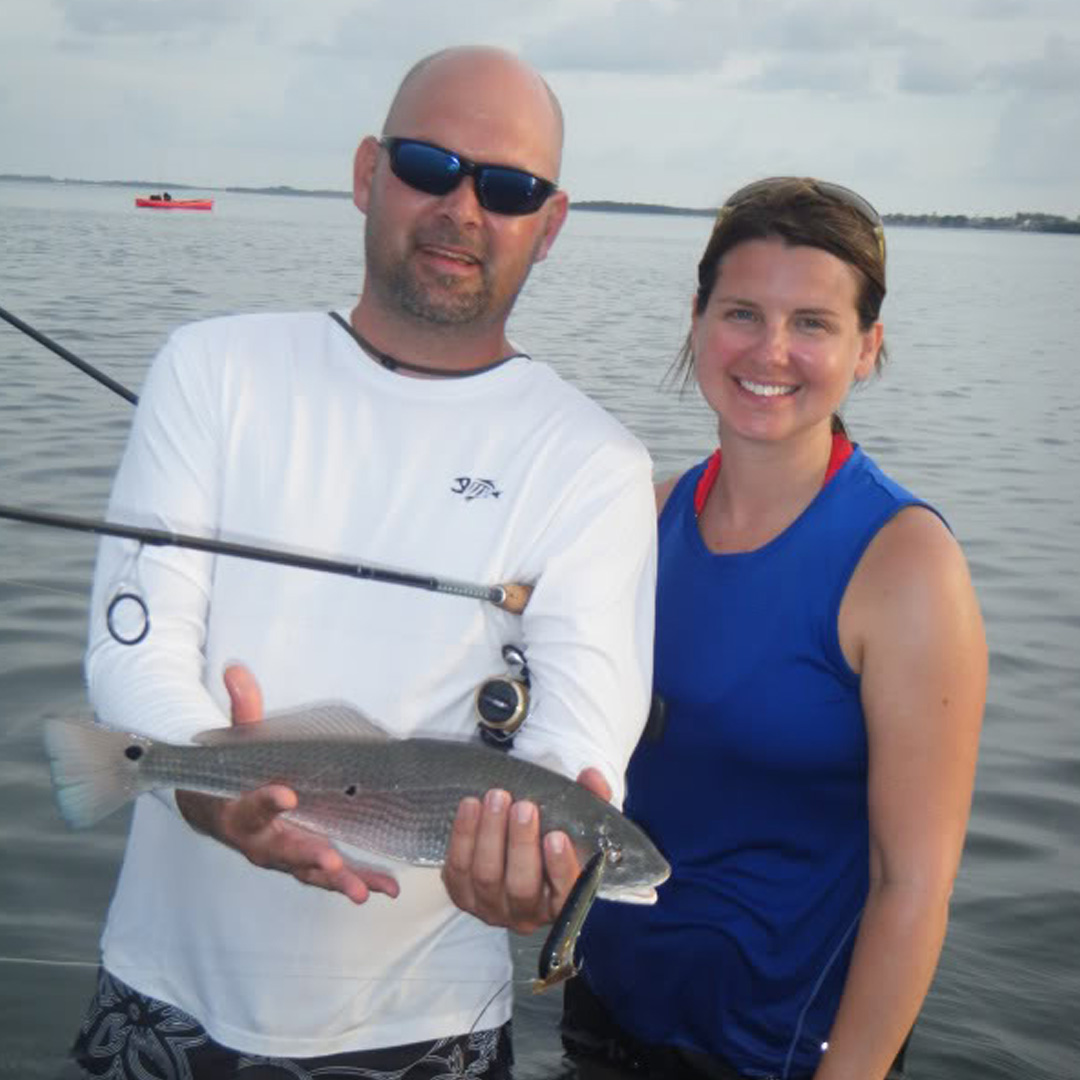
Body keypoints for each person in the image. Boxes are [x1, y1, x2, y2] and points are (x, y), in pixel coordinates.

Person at [73, 46, 656, 1079]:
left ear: (550, 225)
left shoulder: (596, 464)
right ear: (366, 173)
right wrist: (209, 785)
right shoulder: (211, 369)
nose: (463, 208)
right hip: (160, 994)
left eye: (510, 188)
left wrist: (534, 870)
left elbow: (577, 739)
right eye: (430, 164)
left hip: (423, 1033)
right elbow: (134, 646)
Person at [551, 178, 988, 1080]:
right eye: (742, 312)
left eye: (814, 324)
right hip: (605, 1019)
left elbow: (913, 885)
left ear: (867, 347)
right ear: (699, 318)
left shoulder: (902, 564)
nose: (771, 350)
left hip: (783, 1054)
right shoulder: (640, 521)